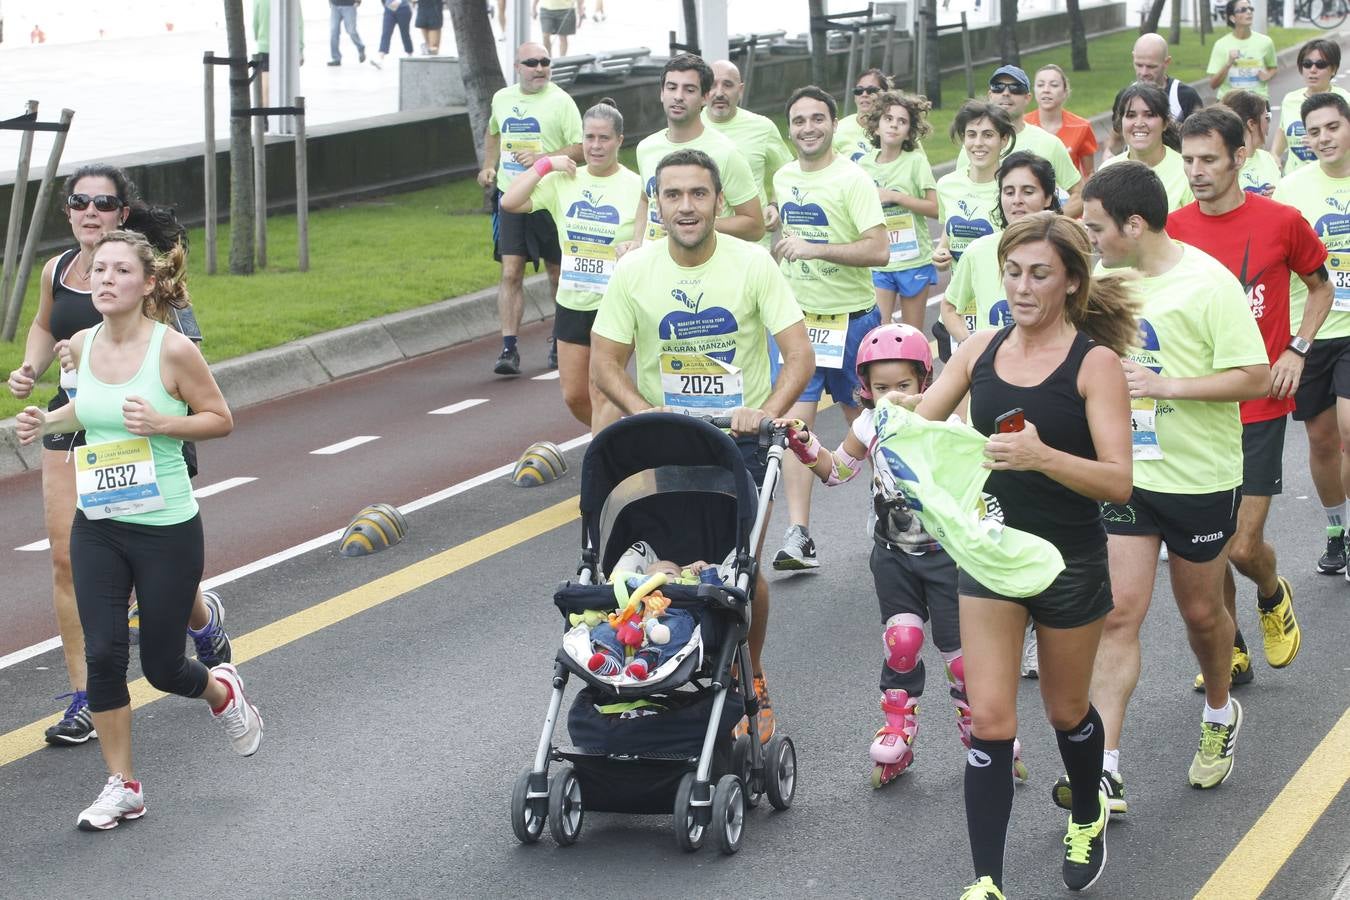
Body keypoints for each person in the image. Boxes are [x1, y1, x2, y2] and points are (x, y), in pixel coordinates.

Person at [911, 212, 1136, 899]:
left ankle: (1089, 808)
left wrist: (1042, 456)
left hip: (1068, 561)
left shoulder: (1094, 365)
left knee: (1067, 711)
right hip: (992, 552)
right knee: (990, 719)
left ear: (1071, 282)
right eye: (1012, 271)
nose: (1022, 286)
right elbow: (919, 426)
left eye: (1039, 274)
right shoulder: (979, 349)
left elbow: (1118, 481)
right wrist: (862, 435)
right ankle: (987, 881)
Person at [15, 231, 263, 831]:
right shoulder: (80, 343)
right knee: (104, 655)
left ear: (147, 284)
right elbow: (86, 409)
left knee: (162, 668)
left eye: (120, 271)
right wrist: (45, 418)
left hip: (165, 527)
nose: (104, 279)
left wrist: (163, 422)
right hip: (98, 523)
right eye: (99, 270)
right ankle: (123, 785)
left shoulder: (172, 350)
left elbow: (220, 419)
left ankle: (222, 692)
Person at [590, 148, 814, 742]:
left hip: (737, 443)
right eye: (673, 195)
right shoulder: (634, 271)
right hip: (662, 446)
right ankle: (658, 670)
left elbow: (799, 355)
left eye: (697, 194)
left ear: (718, 201)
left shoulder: (752, 263)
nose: (686, 207)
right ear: (657, 204)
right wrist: (646, 414)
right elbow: (605, 362)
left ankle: (752, 677)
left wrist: (764, 414)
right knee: (659, 567)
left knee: (740, 568)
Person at [7, 166, 234, 748]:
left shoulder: (145, 276)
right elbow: (42, 324)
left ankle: (202, 622)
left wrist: (159, 415)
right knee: (66, 558)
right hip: (77, 419)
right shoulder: (57, 269)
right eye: (79, 201)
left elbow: (189, 362)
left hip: (145, 431)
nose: (90, 211)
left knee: (157, 562)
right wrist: (33, 370)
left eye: (103, 203)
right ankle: (87, 693)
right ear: (68, 211)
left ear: (121, 214)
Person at [1074, 162, 1269, 816]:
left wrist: (1165, 386)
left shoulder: (1208, 284)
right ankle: (1105, 770)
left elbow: (1254, 377)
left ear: (1134, 224)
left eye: (1097, 225)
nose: (1090, 236)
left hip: (1200, 479)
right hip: (1129, 475)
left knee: (1201, 616)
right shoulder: (1102, 283)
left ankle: (1220, 710)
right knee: (1119, 613)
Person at [783, 323, 1026, 789]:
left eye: (903, 386)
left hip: (945, 556)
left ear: (925, 383)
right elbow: (837, 472)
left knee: (959, 658)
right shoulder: (868, 424)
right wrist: (805, 443)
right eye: (881, 388)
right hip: (893, 555)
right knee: (903, 642)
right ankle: (897, 729)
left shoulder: (944, 426)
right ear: (865, 391)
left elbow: (979, 477)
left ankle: (980, 730)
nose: (892, 395)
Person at [1170, 106, 1329, 692]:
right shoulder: (1175, 228)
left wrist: (1298, 348)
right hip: (1195, 409)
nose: (1197, 171)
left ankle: (1271, 591)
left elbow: (1319, 284)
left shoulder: (1282, 220)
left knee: (1241, 546)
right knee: (1207, 550)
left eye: (1209, 159)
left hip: (1259, 403)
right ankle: (1230, 647)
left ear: (1240, 157)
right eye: (1188, 160)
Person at [768, 85, 889, 572]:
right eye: (799, 121)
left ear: (834, 124)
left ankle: (885, 505)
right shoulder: (782, 176)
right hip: (799, 326)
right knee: (794, 430)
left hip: (853, 321)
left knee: (868, 427)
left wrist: (816, 249)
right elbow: (790, 236)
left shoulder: (852, 179)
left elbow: (878, 250)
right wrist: (779, 232)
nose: (808, 128)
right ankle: (798, 535)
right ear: (789, 128)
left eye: (817, 119)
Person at [499, 98, 642, 432]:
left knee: (602, 391)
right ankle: (628, 435)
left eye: (604, 138)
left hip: (616, 304)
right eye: (589, 137)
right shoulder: (565, 180)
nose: (595, 146)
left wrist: (635, 247)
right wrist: (545, 164)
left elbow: (653, 237)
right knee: (575, 395)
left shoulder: (636, 186)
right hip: (572, 300)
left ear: (619, 140)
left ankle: (604, 466)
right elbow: (510, 201)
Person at [1272, 92, 1350, 577]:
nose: (1323, 138)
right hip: (1313, 330)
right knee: (1321, 442)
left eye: (1332, 127)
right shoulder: (1292, 189)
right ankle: (1336, 528)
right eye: (1313, 131)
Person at [478, 43, 584, 376]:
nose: (540, 68)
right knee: (511, 272)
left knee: (557, 272)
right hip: (512, 195)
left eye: (545, 62)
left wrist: (543, 160)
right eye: (532, 63)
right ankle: (509, 349)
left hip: (551, 198)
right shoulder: (502, 98)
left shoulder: (561, 101)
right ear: (517, 66)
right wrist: (488, 166)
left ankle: (559, 339)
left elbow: (580, 148)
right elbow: (493, 132)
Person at [631, 54, 763, 248]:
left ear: (705, 97)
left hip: (705, 267)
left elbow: (755, 226)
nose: (678, 96)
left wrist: (693, 224)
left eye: (689, 89)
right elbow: (645, 200)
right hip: (657, 267)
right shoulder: (646, 148)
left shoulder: (725, 152)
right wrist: (637, 242)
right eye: (672, 87)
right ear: (661, 93)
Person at [942, 151, 1063, 344]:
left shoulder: (1064, 250)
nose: (1016, 200)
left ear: (1048, 197)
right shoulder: (978, 250)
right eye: (1008, 192)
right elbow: (949, 305)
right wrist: (970, 345)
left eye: (1028, 191)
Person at [856, 90, 939, 328]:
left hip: (913, 260)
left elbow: (935, 209)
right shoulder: (863, 165)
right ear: (876, 127)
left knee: (912, 333)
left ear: (908, 132)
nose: (894, 125)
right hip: (880, 261)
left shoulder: (915, 162)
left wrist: (896, 197)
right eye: (888, 119)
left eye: (902, 121)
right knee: (880, 329)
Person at [953, 66, 1083, 218]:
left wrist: (1047, 224)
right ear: (990, 95)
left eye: (1015, 88)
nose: (1006, 93)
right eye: (998, 87)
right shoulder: (974, 148)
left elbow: (1079, 194)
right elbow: (958, 198)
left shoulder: (1049, 143)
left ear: (1027, 97)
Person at [702, 59, 795, 248]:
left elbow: (787, 170)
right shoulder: (690, 127)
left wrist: (774, 205)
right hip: (703, 241)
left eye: (728, 85)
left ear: (740, 90)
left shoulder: (762, 127)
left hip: (752, 242)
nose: (719, 93)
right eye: (713, 85)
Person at [933, 101, 1015, 268]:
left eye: (988, 135)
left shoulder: (1013, 189)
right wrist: (941, 254)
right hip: (958, 292)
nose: (978, 143)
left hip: (1000, 291)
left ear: (1004, 140)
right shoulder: (946, 185)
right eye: (971, 134)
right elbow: (947, 237)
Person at [1098, 83, 1194, 211]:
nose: (1139, 123)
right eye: (1131, 115)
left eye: (1149, 115)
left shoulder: (1187, 171)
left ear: (1165, 123)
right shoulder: (1106, 171)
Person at [1105, 33, 1202, 156]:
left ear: (1166, 62)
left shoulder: (1185, 96)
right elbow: (1116, 138)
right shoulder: (1125, 96)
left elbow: (1201, 141)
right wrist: (1108, 156)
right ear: (1133, 58)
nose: (1144, 72)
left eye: (1151, 66)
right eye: (1139, 65)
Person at [1274, 38, 1348, 175]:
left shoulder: (1345, 100)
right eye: (1307, 64)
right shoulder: (1290, 99)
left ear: (1334, 69)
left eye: (1320, 64)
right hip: (1294, 179)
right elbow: (1283, 133)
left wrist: (1321, 142)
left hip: (1332, 177)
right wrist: (1274, 156)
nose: (1312, 70)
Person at [1025, 64, 1097, 178]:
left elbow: (1089, 175)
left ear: (1065, 91)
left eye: (1054, 85)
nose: (1046, 90)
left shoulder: (1082, 127)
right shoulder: (1022, 125)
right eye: (1040, 85)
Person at [1207, 0, 1277, 100]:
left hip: (1259, 103)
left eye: (1250, 9)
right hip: (1229, 104)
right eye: (1243, 10)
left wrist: (1268, 75)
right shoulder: (1220, 45)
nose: (1249, 12)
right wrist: (1228, 64)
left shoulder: (1266, 42)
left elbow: (1273, 67)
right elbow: (1213, 84)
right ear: (1232, 18)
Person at [1222, 89, 1282, 197]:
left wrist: (1280, 195)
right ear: (1251, 124)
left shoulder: (1267, 158)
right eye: (1266, 118)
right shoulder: (1225, 164)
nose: (1268, 125)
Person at [834, 68, 891, 163]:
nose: (864, 94)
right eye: (859, 90)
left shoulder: (897, 129)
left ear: (885, 95)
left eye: (871, 90)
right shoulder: (837, 131)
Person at [373, 0, 414, 67]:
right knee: (386, 33)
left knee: (405, 33)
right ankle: (380, 58)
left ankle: (410, 54)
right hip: (389, 9)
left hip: (403, 9)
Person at [328, 0, 366, 66]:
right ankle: (336, 58)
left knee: (351, 31)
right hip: (335, 5)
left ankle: (361, 48)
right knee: (334, 31)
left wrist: (358, 1)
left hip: (349, 5)